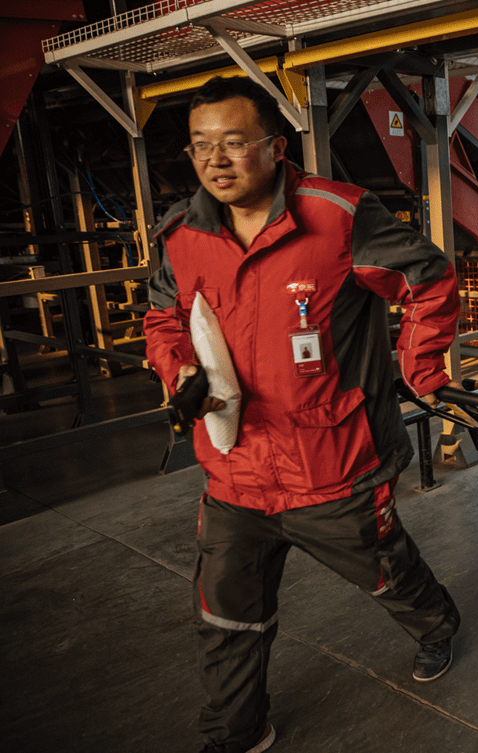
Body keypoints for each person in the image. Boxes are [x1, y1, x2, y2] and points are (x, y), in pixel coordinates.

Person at [144, 76, 462, 753]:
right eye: (201, 146)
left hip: (334, 465)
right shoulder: (182, 233)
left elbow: (428, 277)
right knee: (225, 615)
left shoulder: (339, 217)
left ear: (275, 145)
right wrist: (180, 371)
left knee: (387, 573)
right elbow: (163, 318)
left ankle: (437, 625)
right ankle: (237, 730)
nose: (215, 161)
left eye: (234, 143)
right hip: (234, 471)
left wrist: (421, 367)